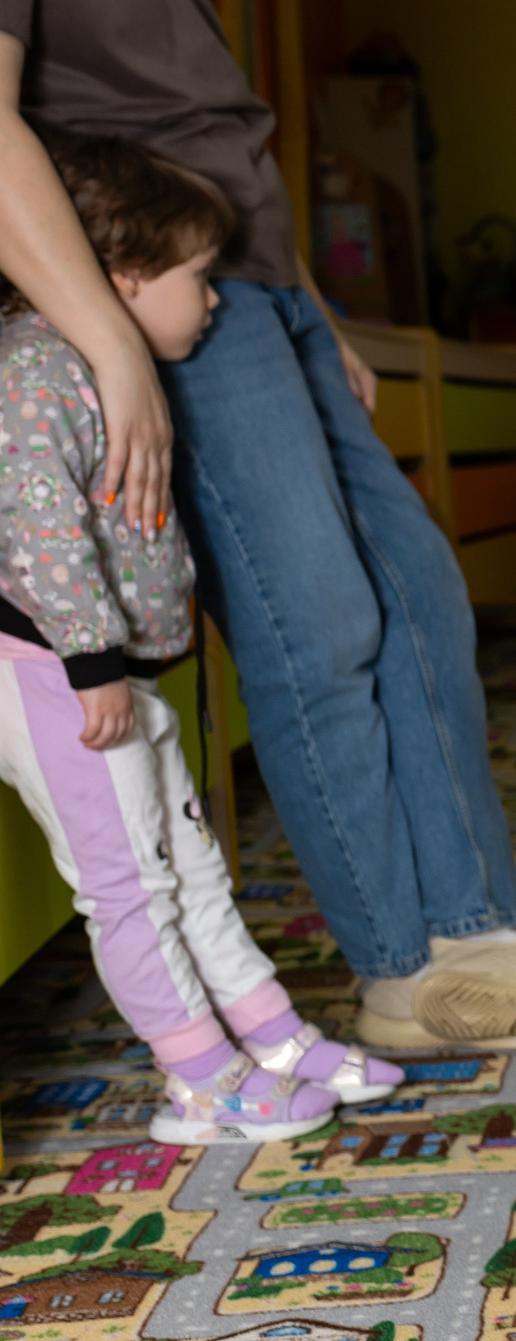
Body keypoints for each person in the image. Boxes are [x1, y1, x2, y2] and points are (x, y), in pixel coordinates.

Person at [0, 0, 516, 1054]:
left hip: (253, 277)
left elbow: (214, 136)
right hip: (155, 292)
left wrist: (310, 299)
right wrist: (110, 340)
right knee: (320, 625)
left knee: (422, 594)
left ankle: (479, 933)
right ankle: (402, 973)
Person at [0, 132, 405, 1143]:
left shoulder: (99, 367)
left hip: (105, 668)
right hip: (55, 667)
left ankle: (269, 1035)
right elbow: (39, 531)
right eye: (199, 277)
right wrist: (89, 661)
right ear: (128, 277)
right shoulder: (39, 371)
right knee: (129, 886)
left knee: (188, 858)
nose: (215, 300)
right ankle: (198, 1079)